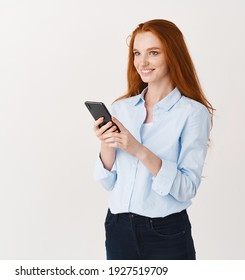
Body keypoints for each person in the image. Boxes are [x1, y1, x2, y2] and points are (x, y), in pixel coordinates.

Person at [92, 19, 214, 260]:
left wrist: (138, 150)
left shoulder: (193, 113)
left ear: (173, 55)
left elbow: (186, 188)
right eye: (137, 53)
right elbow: (108, 182)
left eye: (153, 53)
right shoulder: (121, 108)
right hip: (118, 228)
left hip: (166, 232)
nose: (142, 62)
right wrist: (106, 142)